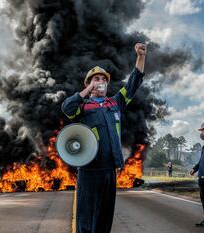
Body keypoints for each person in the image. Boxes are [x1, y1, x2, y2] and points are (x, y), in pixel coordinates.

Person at [61, 43, 147, 233]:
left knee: (104, 218)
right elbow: (67, 108)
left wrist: (140, 57)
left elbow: (134, 82)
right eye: (95, 79)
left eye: (102, 79)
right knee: (85, 218)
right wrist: (87, 90)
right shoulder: (82, 107)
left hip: (109, 169)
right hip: (89, 169)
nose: (100, 81)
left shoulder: (115, 102)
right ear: (89, 84)